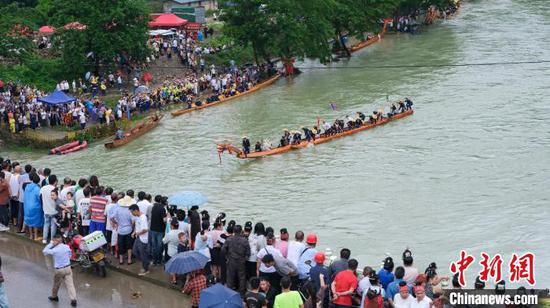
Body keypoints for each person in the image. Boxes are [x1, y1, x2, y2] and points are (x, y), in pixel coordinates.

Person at [42, 234, 77, 307]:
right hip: (68, 268)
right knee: (70, 285)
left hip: (59, 270)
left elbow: (44, 251)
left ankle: (54, 296)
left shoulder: (55, 250)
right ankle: (73, 299)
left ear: (56, 241)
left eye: (53, 240)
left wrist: (50, 244)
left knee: (56, 284)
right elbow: (70, 255)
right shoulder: (66, 247)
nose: (52, 242)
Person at [223, 224, 251, 295]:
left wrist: (226, 257)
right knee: (241, 277)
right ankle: (241, 293)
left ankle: (229, 292)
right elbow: (248, 252)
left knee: (230, 277)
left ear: (233, 231)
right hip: (241, 261)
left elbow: (223, 249)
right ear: (241, 231)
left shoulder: (229, 239)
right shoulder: (244, 240)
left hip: (231, 260)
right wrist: (245, 259)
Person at [110, 195, 134, 265]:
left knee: (121, 245)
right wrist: (131, 226)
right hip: (129, 229)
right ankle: (129, 260)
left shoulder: (118, 209)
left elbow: (111, 217)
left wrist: (116, 223)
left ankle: (121, 260)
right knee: (129, 245)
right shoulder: (130, 210)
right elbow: (132, 221)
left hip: (120, 230)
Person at [130, 204, 150, 276]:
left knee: (143, 253)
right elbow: (137, 226)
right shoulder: (137, 217)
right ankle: (146, 262)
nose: (131, 213)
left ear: (136, 210)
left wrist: (137, 233)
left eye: (132, 212)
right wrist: (134, 232)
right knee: (135, 251)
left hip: (143, 238)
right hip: (138, 237)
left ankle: (145, 269)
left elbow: (145, 229)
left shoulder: (143, 218)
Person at [150, 195, 167, 265]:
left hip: (153, 229)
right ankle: (159, 260)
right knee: (160, 246)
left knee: (154, 246)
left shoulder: (153, 207)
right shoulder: (162, 208)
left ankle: (154, 260)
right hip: (160, 230)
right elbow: (164, 220)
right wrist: (167, 217)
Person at [40, 174, 58, 244]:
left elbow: (40, 197)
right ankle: (52, 240)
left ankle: (44, 239)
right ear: (55, 181)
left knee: (46, 224)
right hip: (54, 211)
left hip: (46, 209)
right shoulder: (55, 189)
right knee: (53, 225)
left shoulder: (43, 188)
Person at [163, 218, 181, 284]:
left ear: (172, 226)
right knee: (176, 264)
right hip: (179, 251)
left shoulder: (170, 233)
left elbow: (164, 241)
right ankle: (176, 275)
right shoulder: (181, 232)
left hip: (171, 252)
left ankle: (174, 279)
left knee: (172, 265)